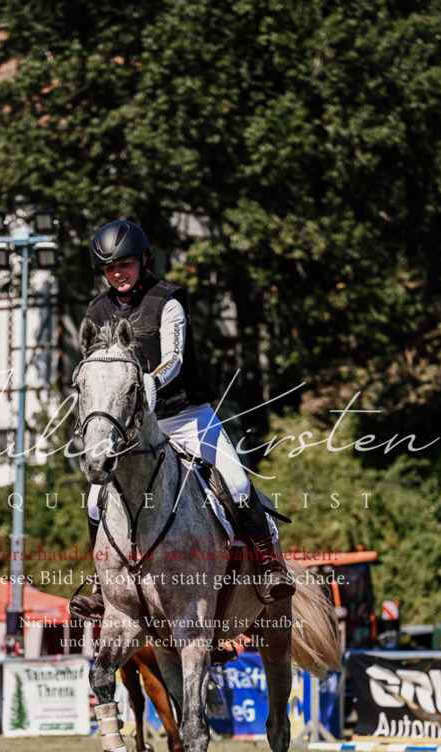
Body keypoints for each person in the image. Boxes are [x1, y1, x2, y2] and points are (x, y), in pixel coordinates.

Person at [69, 219, 295, 620]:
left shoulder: (167, 300)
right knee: (93, 502)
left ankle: (268, 568)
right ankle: (104, 588)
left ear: (142, 260)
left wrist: (148, 384)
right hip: (136, 429)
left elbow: (173, 357)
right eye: (109, 268)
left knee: (239, 484)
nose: (118, 273)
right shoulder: (97, 310)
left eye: (124, 264)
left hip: (186, 416)